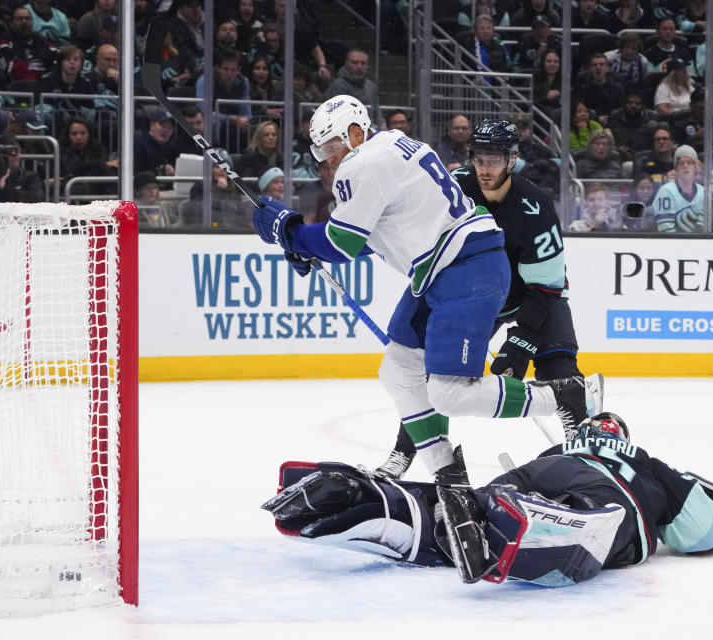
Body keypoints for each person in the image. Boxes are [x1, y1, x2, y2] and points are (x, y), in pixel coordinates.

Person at [250, 96, 594, 484]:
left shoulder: (361, 165)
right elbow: (373, 231)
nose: (328, 158)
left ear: (356, 132)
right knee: (399, 371)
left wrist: (289, 231)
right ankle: (443, 469)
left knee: (454, 390)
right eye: (321, 150)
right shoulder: (397, 144)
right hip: (451, 271)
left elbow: (341, 243)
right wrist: (304, 243)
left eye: (332, 147)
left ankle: (566, 399)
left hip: (487, 279)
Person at [374, 119, 602, 479]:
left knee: (557, 369)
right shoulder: (455, 187)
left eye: (494, 159)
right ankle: (408, 447)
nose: (484, 168)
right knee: (433, 370)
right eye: (479, 158)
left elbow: (547, 286)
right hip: (475, 295)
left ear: (512, 160)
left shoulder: (535, 205)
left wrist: (523, 337)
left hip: (534, 296)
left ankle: (583, 442)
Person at [263, 412, 713, 587]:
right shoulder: (646, 461)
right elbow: (704, 535)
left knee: (475, 507)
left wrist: (492, 497)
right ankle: (556, 523)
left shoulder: (563, 447)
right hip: (609, 494)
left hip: (539, 472)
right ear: (620, 436)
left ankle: (373, 497)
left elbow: (523, 475)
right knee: (596, 516)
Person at [0, 5, 59, 82]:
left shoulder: (41, 40)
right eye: (19, 19)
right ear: (11, 23)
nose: (24, 21)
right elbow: (8, 66)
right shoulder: (6, 41)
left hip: (46, 84)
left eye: (28, 19)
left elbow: (59, 56)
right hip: (21, 86)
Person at [58, 115, 117, 196]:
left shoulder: (97, 148)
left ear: (89, 134)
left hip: (97, 186)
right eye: (74, 134)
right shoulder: (62, 150)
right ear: (68, 136)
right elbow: (72, 170)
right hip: (72, 187)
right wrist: (99, 164)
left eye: (83, 133)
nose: (79, 137)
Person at [654, 144, 704, 232]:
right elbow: (665, 228)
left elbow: (706, 226)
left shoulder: (703, 192)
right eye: (681, 163)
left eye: (689, 162)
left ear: (695, 167)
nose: (685, 166)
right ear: (676, 167)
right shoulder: (666, 191)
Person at [325, 48, 380, 123]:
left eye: (363, 63)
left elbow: (377, 113)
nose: (359, 66)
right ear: (346, 64)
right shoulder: (337, 85)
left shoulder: (371, 86)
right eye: (355, 63)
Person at [574, 53, 625, 127]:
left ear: (607, 68)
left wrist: (608, 119)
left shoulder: (617, 88)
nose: (598, 67)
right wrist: (597, 119)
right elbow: (580, 111)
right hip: (589, 124)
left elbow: (621, 111)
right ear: (590, 69)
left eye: (601, 65)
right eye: (594, 65)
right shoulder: (583, 89)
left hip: (613, 125)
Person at [134, 107, 178, 178]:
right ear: (152, 125)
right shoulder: (138, 140)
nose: (166, 130)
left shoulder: (173, 145)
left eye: (170, 128)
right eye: (162, 125)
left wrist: (174, 172)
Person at [297, 160, 337, 224]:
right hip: (318, 231)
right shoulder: (309, 191)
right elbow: (307, 221)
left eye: (333, 168)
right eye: (326, 168)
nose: (330, 172)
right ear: (319, 170)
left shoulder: (345, 188)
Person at [532, 49, 563, 117]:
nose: (552, 64)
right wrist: (546, 97)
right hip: (538, 115)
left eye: (556, 62)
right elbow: (530, 101)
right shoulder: (534, 78)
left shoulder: (564, 80)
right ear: (543, 63)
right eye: (549, 61)